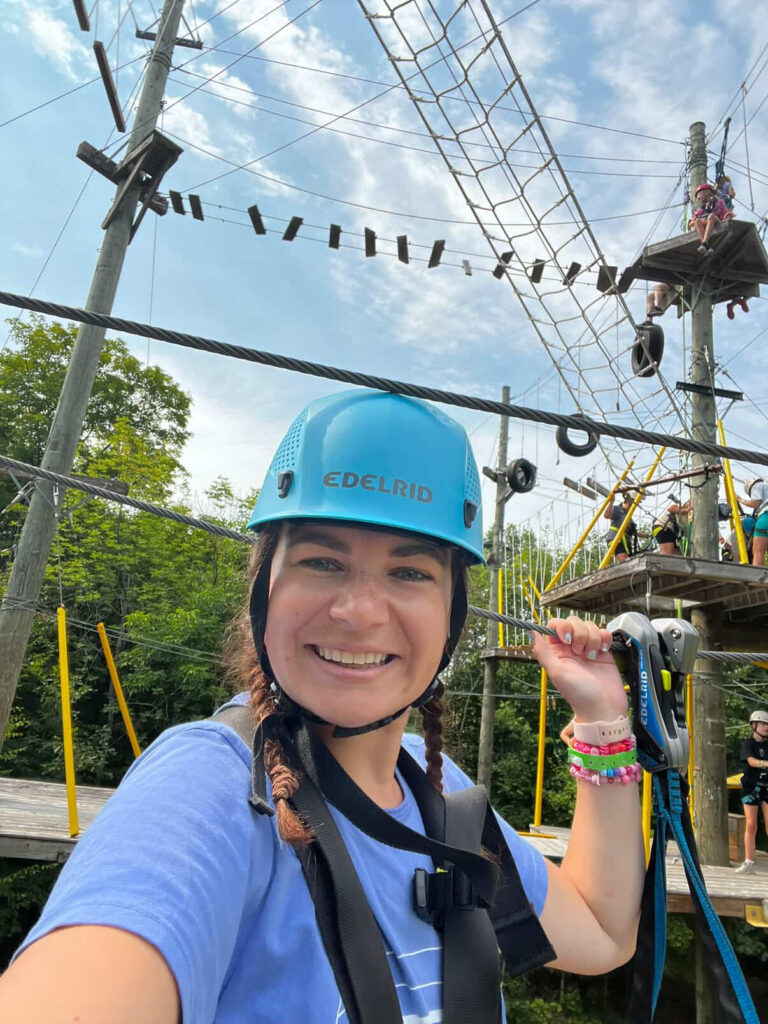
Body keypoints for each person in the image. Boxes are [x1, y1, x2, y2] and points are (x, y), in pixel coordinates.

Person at [0, 391, 644, 1023]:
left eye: (410, 572)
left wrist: (603, 720)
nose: (358, 611)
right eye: (322, 561)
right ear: (263, 588)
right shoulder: (217, 787)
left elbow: (600, 936)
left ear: (451, 613)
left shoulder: (438, 796)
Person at [735, 710, 768, 874]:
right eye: (763, 724)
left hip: (767, 787)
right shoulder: (748, 744)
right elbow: (751, 761)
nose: (766, 727)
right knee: (751, 824)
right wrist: (765, 763)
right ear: (754, 725)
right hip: (751, 787)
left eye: (767, 724)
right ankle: (748, 862)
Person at [688, 182, 728, 256]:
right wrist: (693, 221)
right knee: (698, 221)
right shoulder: (702, 207)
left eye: (701, 195)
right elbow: (695, 218)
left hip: (717, 219)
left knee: (711, 216)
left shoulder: (719, 202)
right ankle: (706, 244)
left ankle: (704, 242)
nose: (700, 199)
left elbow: (722, 213)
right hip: (707, 221)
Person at [739, 478, 768, 567]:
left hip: (765, 517)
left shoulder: (756, 485)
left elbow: (756, 502)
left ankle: (757, 579)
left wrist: (741, 500)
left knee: (758, 551)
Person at [604, 491, 639, 562]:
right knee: (624, 559)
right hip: (615, 538)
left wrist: (649, 536)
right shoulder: (618, 509)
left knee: (629, 561)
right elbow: (607, 515)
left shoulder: (628, 516)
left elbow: (634, 533)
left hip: (625, 541)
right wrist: (611, 502)